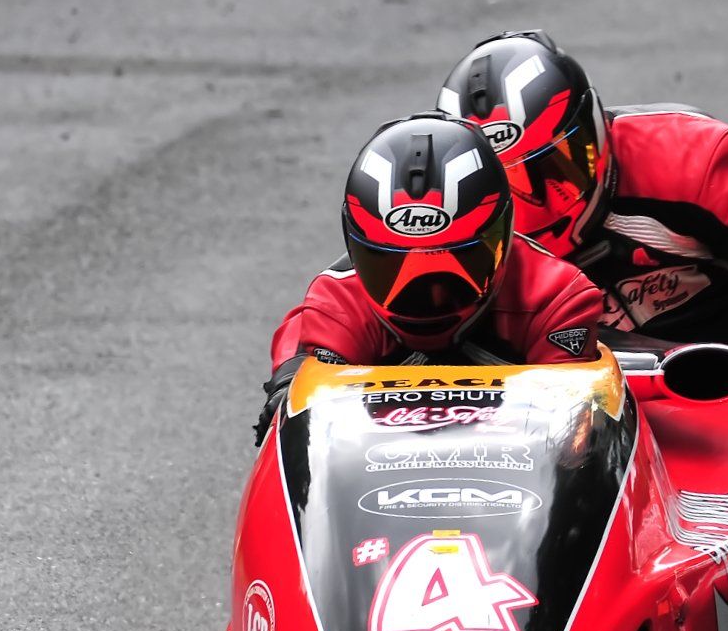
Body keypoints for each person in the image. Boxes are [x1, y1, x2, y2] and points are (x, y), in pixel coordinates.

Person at [437, 30, 728, 399]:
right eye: (506, 188)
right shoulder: (436, 222)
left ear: (593, 131)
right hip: (564, 386)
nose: (539, 208)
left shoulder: (687, 160)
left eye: (555, 172)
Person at [255, 114, 602, 443]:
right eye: (390, 265)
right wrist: (290, 385)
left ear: (502, 238)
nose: (427, 296)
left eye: (460, 260)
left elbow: (568, 438)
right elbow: (313, 412)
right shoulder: (338, 301)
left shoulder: (556, 298)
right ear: (354, 246)